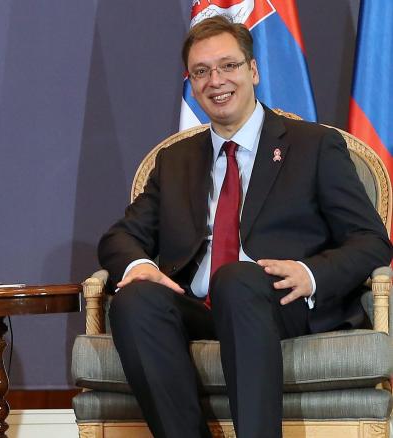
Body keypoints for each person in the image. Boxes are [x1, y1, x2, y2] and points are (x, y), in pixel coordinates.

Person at [98, 16, 392, 438]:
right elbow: (120, 237)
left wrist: (310, 274)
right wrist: (139, 266)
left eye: (228, 65)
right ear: (192, 84)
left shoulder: (313, 146)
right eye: (201, 71)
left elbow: (371, 240)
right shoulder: (176, 161)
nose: (216, 80)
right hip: (200, 305)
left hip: (278, 302)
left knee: (236, 279)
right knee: (134, 300)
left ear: (253, 70)